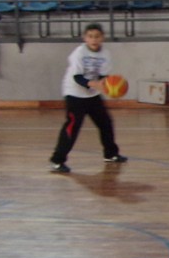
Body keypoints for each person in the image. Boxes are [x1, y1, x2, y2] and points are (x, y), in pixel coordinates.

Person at [49, 23, 128, 173]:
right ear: (85, 38)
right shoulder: (79, 53)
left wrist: (110, 87)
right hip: (74, 93)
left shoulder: (105, 54)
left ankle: (110, 154)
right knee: (72, 127)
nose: (94, 40)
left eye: (97, 36)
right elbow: (77, 77)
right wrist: (94, 84)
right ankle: (57, 160)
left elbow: (103, 76)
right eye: (90, 36)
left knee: (105, 123)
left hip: (92, 94)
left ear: (102, 38)